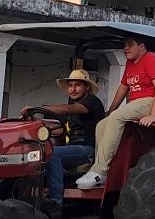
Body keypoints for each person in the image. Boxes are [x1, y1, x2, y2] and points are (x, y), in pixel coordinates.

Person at [76, 35, 155, 188]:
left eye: (130, 44)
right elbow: (123, 89)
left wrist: (153, 115)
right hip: (138, 104)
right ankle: (103, 171)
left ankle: (99, 171)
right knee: (102, 125)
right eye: (124, 45)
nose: (125, 48)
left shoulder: (151, 59)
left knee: (117, 118)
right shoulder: (130, 64)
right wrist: (110, 111)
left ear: (141, 46)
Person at [22, 69, 105, 213]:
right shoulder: (72, 111)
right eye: (70, 85)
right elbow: (59, 130)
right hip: (72, 149)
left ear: (87, 87)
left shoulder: (91, 102)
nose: (73, 89)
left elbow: (68, 109)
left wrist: (38, 108)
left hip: (87, 149)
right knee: (35, 152)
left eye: (77, 85)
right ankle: (33, 195)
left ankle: (56, 201)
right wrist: (33, 119)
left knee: (52, 154)